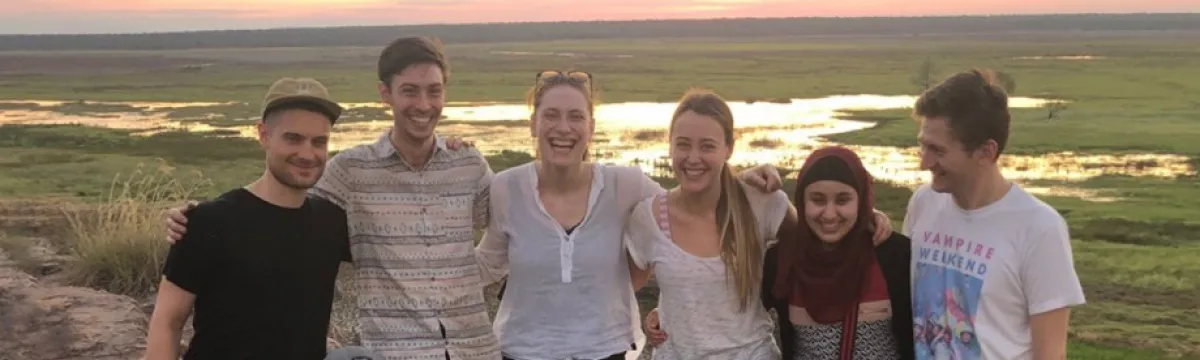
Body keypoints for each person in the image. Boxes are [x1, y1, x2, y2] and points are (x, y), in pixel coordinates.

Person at [167, 36, 500, 360]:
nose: (424, 104)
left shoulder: (468, 163)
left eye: (434, 91)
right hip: (393, 351)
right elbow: (281, 208)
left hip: (474, 348)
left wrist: (469, 274)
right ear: (385, 94)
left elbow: (513, 227)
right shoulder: (349, 170)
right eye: (409, 91)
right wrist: (200, 216)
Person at [474, 70, 787, 360]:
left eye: (576, 116)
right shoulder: (507, 187)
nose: (563, 128)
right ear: (533, 124)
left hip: (606, 350)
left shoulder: (626, 185)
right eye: (551, 115)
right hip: (521, 350)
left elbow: (690, 200)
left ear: (591, 127)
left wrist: (740, 180)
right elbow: (489, 262)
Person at [624, 90, 894, 360]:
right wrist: (664, 312)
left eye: (707, 146)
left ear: (729, 147)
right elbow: (624, 289)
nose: (693, 157)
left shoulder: (761, 203)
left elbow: (819, 237)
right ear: (669, 145)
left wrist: (864, 218)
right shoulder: (648, 219)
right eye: (683, 144)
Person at [145, 77, 366, 360]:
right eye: (293, 138)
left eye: (319, 141)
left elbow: (401, 248)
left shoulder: (331, 221)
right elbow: (167, 322)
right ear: (263, 135)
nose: (307, 154)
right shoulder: (208, 222)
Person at [903, 69, 1085, 359]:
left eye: (937, 150)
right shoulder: (923, 203)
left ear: (986, 152)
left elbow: (1050, 353)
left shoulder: (1040, 228)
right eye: (922, 144)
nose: (924, 162)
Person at [764, 146, 914, 360]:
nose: (830, 214)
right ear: (801, 201)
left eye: (843, 200)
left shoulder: (894, 256)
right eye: (818, 200)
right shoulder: (782, 261)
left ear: (861, 201)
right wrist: (744, 182)